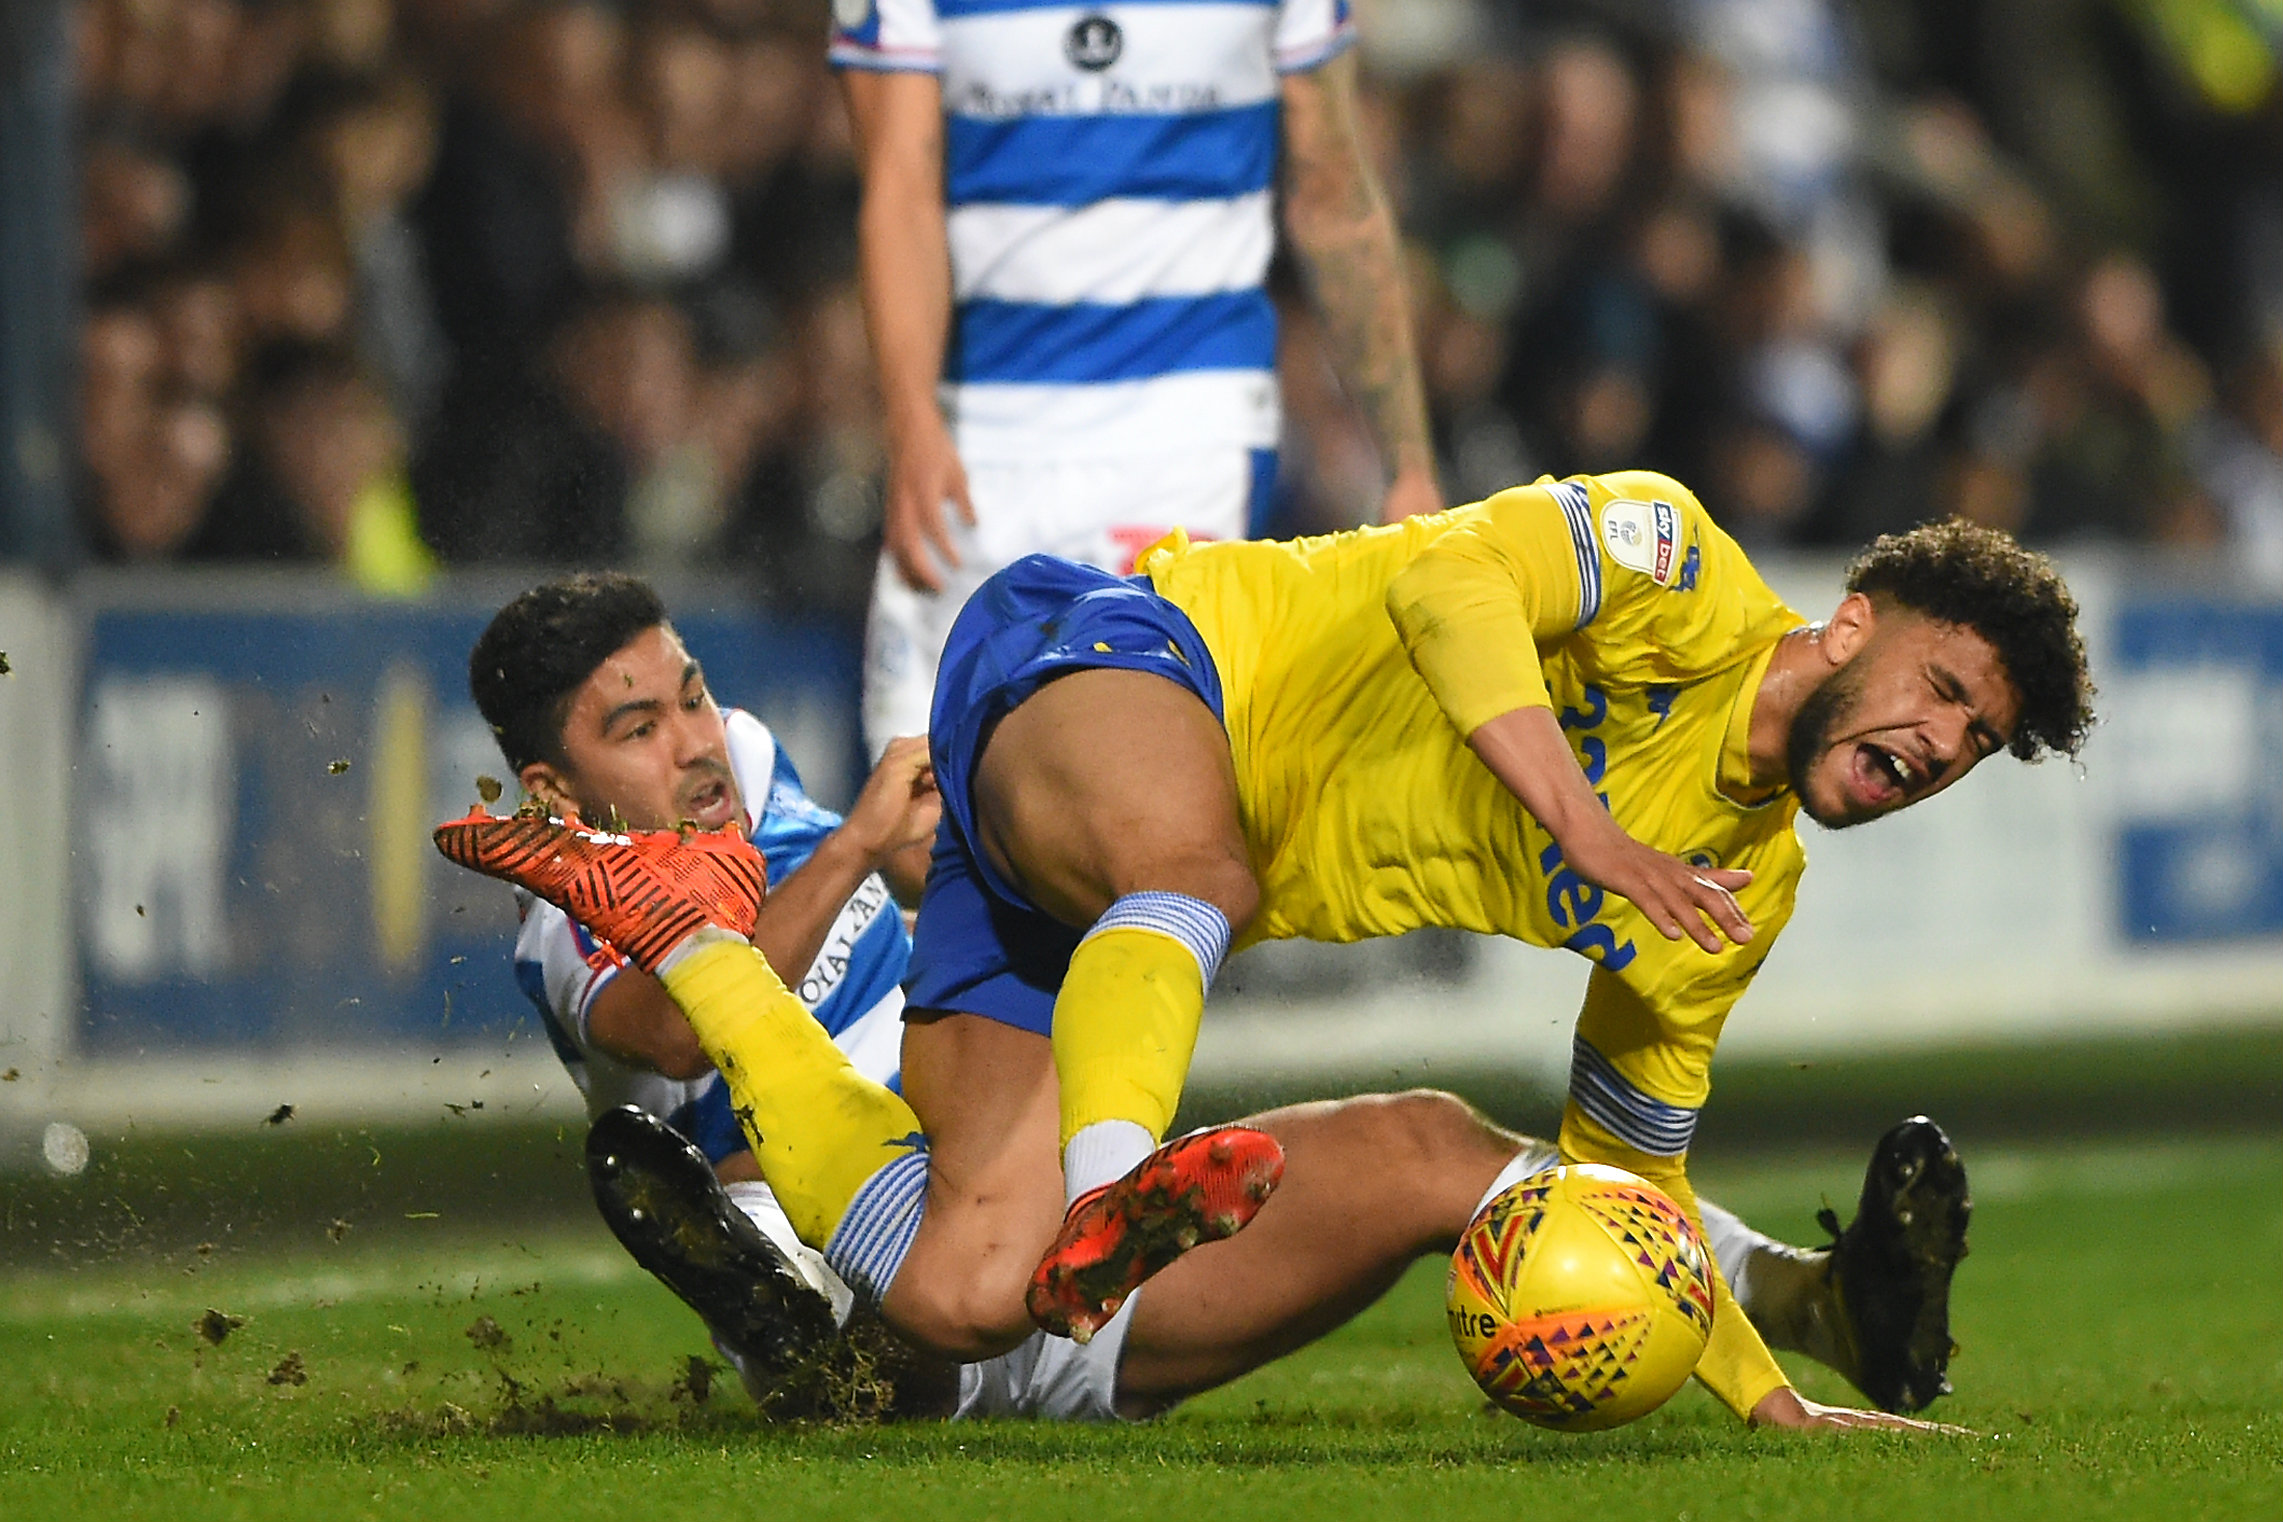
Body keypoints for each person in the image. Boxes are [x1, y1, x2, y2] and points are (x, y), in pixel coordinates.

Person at [442, 553, 2013, 1420]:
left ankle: (1824, 1308)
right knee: (891, 1287)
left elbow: (1626, 1178)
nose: (696, 739)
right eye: (635, 725)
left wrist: (1757, 1403)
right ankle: (819, 1295)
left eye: (692, 693)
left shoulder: (1729, 904)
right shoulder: (1666, 567)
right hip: (1114, 760)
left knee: (1407, 1158)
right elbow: (1459, 583)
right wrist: (858, 842)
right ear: (546, 780)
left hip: (1020, 1201)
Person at [830, 0, 1441, 754]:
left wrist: (1405, 462)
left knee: (1131, 781)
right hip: (974, 442)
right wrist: (911, 420)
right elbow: (898, 184)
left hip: (1186, 429)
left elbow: (1333, 189)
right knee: (915, 806)